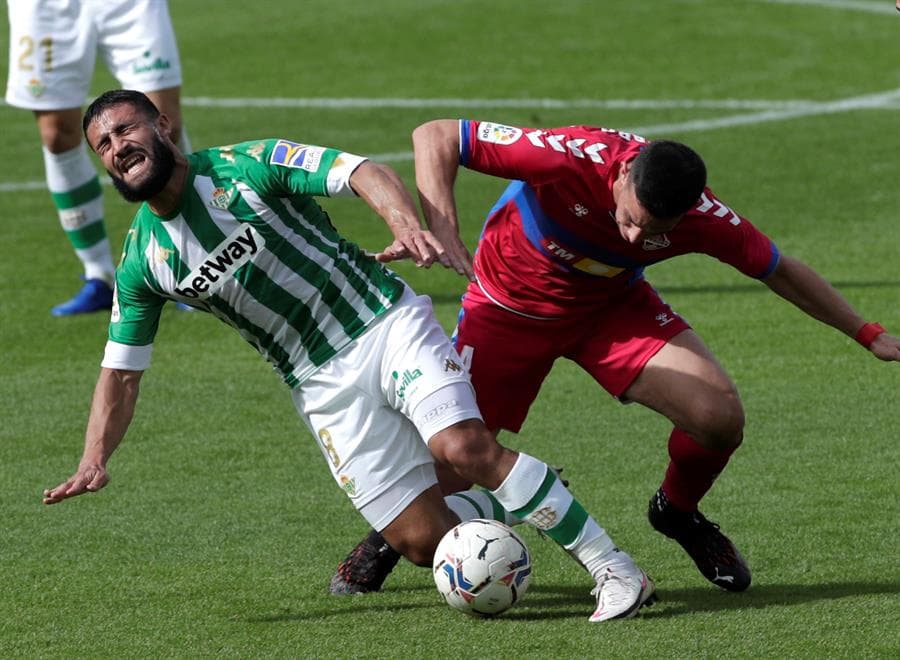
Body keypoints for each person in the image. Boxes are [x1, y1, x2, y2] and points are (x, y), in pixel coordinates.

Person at [43, 90, 659, 624]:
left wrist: (403, 221)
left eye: (125, 129)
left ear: (163, 127)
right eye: (102, 144)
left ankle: (615, 569)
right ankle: (521, 493)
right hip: (317, 384)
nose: (116, 148)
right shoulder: (143, 260)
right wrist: (94, 457)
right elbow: (121, 372)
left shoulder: (247, 165)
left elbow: (360, 169)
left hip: (382, 323)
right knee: (422, 544)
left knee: (464, 449)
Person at [330, 118, 900, 596]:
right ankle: (386, 538)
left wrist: (864, 331)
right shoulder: (570, 157)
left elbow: (779, 268)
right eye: (629, 218)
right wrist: (445, 229)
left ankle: (677, 512)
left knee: (718, 418)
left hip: (610, 310)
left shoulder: (704, 218)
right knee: (451, 470)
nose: (633, 238)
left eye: (653, 232)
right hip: (507, 309)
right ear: (623, 173)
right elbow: (437, 135)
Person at [5, 0, 191, 316]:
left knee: (161, 123)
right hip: (46, 8)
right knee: (57, 133)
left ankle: (191, 261)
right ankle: (99, 275)